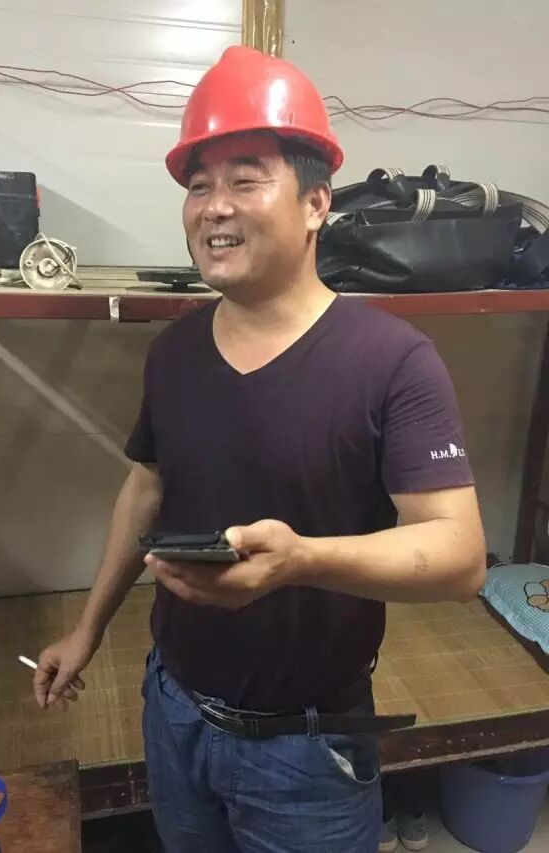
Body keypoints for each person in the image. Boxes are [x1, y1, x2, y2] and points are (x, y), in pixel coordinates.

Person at [33, 45, 486, 853]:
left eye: (246, 180)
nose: (214, 207)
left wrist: (299, 560)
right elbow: (145, 487)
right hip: (174, 713)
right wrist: (87, 630)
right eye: (198, 185)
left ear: (315, 203)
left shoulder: (392, 360)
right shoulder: (173, 351)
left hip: (306, 750)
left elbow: (460, 556)